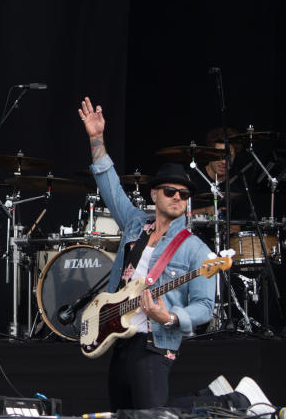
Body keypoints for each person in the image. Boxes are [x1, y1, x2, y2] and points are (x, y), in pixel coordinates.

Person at [78, 97, 215, 410]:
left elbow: (205, 307)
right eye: (170, 191)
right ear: (155, 194)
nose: (178, 197)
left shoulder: (196, 249)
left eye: (184, 194)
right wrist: (96, 139)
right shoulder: (135, 225)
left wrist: (169, 316)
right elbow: (108, 184)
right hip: (120, 339)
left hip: (155, 345)